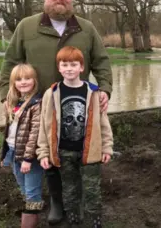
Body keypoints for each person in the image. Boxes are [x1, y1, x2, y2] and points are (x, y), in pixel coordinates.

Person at [0, 0, 113, 224]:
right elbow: (10, 63)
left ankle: (79, 201)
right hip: (39, 105)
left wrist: (104, 89)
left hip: (77, 103)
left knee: (77, 150)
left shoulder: (86, 28)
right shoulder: (27, 27)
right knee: (49, 152)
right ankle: (57, 204)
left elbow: (101, 61)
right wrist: (4, 96)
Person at [36, 46, 113, 227]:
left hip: (90, 152)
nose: (69, 68)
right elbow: (44, 125)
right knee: (70, 189)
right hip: (63, 152)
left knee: (92, 188)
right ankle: (74, 219)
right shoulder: (52, 93)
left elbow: (103, 122)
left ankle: (95, 220)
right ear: (59, 68)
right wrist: (43, 152)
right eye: (65, 64)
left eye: (73, 64)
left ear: (81, 67)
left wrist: (107, 146)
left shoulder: (93, 92)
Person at [0, 64, 44, 228]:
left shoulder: (36, 103)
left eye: (27, 78)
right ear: (13, 82)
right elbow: (9, 133)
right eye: (19, 79)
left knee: (32, 192)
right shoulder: (14, 103)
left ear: (34, 81)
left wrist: (28, 158)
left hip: (29, 156)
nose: (23, 82)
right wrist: (5, 154)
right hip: (14, 151)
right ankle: (33, 213)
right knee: (24, 189)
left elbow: (34, 134)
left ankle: (28, 221)